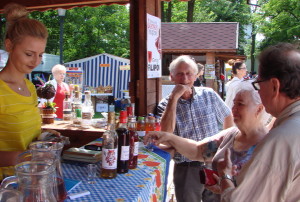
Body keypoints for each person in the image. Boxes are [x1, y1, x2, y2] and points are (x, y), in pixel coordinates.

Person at [147, 80, 269, 199]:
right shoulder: (230, 135)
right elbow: (198, 151)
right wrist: (169, 137)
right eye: (234, 103)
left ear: (259, 109)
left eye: (240, 104)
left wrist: (225, 180)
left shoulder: (269, 144)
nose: (233, 108)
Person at [217, 43, 300, 201]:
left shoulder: (280, 141)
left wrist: (224, 177)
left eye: (258, 85)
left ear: (274, 86)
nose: (259, 92)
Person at [157, 55, 233, 202]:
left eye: (188, 73)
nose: (184, 78)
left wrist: (226, 147)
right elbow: (165, 134)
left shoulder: (208, 94)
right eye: (179, 74)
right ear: (172, 77)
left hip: (213, 162)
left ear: (196, 75)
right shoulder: (165, 105)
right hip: (187, 167)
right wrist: (174, 98)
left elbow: (227, 116)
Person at [0, 3, 48, 174]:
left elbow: (29, 137)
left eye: (40, 54)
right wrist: (25, 156)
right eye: (29, 54)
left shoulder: (29, 86)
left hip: (30, 179)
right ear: (9, 46)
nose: (35, 61)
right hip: (5, 186)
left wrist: (46, 139)